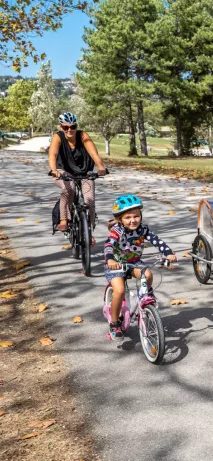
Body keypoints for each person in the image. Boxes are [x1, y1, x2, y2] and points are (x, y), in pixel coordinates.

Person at [104, 195, 177, 339]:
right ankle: (114, 323)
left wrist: (168, 253)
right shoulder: (117, 231)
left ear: (141, 216)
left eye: (136, 216)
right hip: (116, 264)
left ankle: (145, 298)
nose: (133, 220)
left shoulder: (143, 229)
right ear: (120, 219)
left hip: (134, 263)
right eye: (128, 217)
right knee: (119, 291)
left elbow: (157, 241)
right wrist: (110, 260)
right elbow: (108, 245)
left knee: (148, 274)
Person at [48, 112, 107, 241]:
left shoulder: (83, 135)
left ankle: (89, 233)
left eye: (73, 126)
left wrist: (101, 167)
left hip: (84, 172)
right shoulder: (57, 137)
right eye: (66, 127)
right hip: (63, 171)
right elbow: (52, 154)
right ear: (61, 127)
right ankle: (64, 219)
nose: (70, 130)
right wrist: (53, 170)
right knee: (69, 189)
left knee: (89, 200)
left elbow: (94, 154)